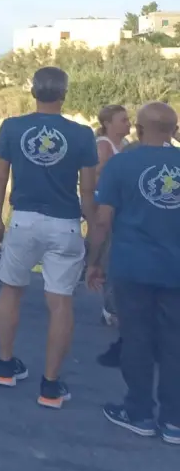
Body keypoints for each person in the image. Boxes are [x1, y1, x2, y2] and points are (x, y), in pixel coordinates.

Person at [0, 66, 98, 408]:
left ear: (33, 92)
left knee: (11, 291)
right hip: (64, 224)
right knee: (60, 302)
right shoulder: (82, 135)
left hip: (23, 220)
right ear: (64, 93)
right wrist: (93, 232)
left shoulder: (13, 127)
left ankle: (5, 367)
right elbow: (89, 190)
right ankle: (50, 386)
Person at [85, 102, 180, 443]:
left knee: (136, 339)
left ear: (139, 129)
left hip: (132, 266)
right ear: (174, 129)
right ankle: (174, 421)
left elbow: (102, 219)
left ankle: (139, 411)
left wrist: (93, 261)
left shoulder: (122, 164)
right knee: (175, 341)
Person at [94, 103, 132, 366]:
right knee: (108, 253)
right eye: (123, 120)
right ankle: (109, 307)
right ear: (108, 123)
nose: (127, 124)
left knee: (115, 251)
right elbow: (99, 177)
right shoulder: (103, 145)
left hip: (120, 205)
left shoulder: (126, 143)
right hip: (104, 205)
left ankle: (112, 305)